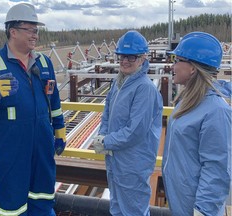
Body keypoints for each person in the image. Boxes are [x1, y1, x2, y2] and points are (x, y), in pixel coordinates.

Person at [0, 3, 66, 216]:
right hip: (12, 151)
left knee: (42, 198)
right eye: (30, 30)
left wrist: (59, 131)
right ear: (13, 32)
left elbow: (55, 101)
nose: (35, 35)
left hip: (42, 147)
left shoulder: (44, 62)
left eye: (37, 30)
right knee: (13, 206)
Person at [92, 30, 163, 215]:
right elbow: (107, 112)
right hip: (115, 159)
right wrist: (102, 134)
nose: (124, 61)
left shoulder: (145, 89)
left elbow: (135, 131)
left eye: (131, 57)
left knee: (134, 210)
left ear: (142, 58)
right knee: (117, 207)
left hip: (133, 163)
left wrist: (106, 142)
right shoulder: (119, 83)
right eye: (122, 56)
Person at [162, 31, 231, 216]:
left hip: (196, 207)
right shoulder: (187, 101)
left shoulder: (216, 111)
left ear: (193, 68)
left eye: (177, 60)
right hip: (182, 200)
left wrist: (203, 211)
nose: (173, 66)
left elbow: (217, 169)